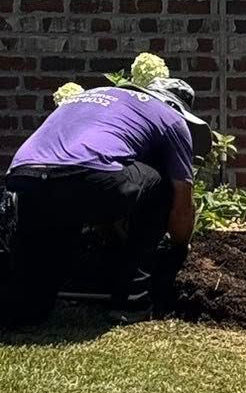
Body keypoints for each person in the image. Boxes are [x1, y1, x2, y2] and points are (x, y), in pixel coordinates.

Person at [1, 71, 203, 322]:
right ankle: (132, 302)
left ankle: (22, 310)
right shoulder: (171, 118)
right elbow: (182, 203)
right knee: (162, 184)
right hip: (86, 178)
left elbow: (81, 163)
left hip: (25, 177)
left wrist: (113, 236)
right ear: (177, 107)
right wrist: (180, 248)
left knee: (31, 301)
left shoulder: (93, 97)